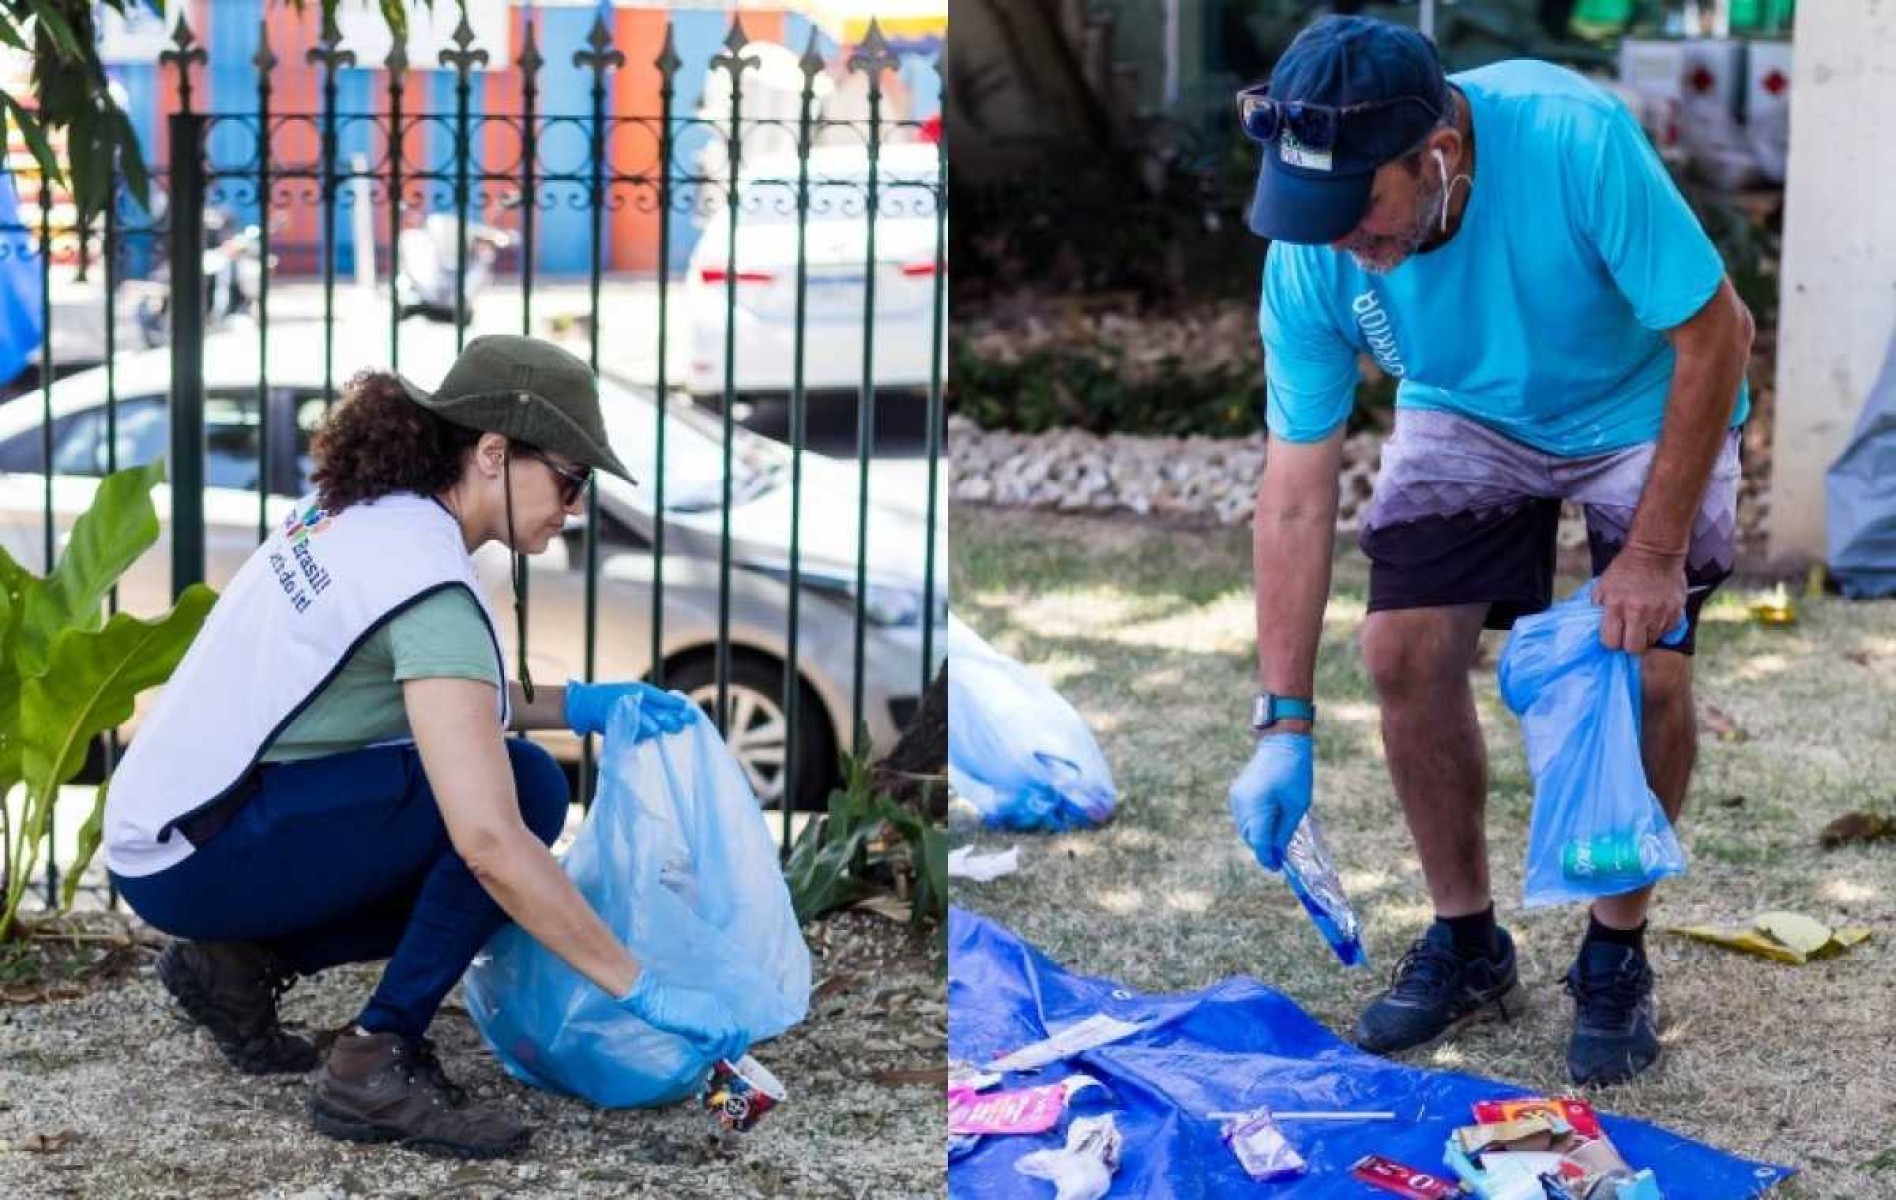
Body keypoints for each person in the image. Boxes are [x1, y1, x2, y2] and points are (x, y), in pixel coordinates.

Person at [1226, 16, 1752, 1086]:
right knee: (1401, 652)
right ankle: (1470, 944)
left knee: (1646, 665)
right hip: (1467, 405)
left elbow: (1719, 333)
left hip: (1643, 397)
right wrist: (1281, 720)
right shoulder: (1313, 248)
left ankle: (1615, 951)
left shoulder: (1574, 137)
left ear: (1439, 159)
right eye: (1310, 212)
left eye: (1356, 210)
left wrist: (1650, 556)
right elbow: (1292, 494)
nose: (1335, 240)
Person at [103, 335, 747, 1157]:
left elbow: (440, 697)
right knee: (521, 802)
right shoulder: (431, 586)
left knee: (500, 796)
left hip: (170, 830)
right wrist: (641, 988)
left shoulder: (366, 515)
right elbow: (488, 843)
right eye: (570, 477)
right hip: (199, 849)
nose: (575, 505)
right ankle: (373, 1062)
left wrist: (578, 703)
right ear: (492, 452)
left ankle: (236, 965)